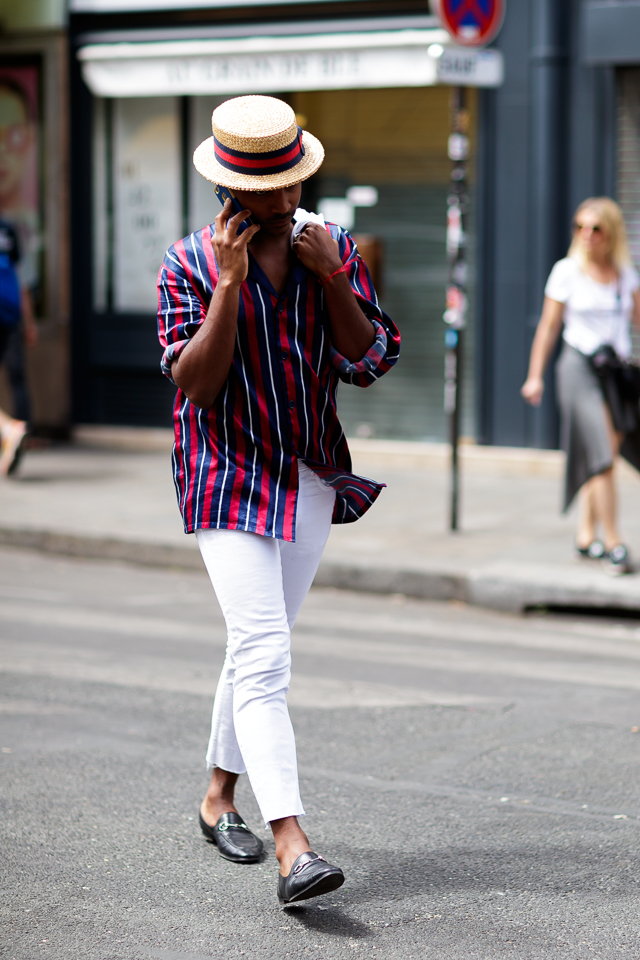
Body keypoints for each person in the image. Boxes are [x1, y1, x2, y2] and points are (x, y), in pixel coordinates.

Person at [157, 96, 400, 904]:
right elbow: (197, 384)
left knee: (256, 646)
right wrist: (229, 286)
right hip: (223, 473)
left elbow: (369, 358)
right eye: (270, 190)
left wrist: (333, 274)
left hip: (306, 474)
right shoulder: (188, 264)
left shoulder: (329, 246)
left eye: (294, 183)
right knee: (264, 650)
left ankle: (216, 797)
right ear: (231, 188)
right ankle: (294, 845)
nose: (288, 199)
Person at [521, 197, 640, 574]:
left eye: (596, 228)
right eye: (580, 227)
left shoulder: (625, 275)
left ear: (612, 233)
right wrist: (535, 375)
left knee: (602, 452)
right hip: (577, 368)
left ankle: (586, 536)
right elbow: (548, 327)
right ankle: (614, 542)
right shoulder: (567, 271)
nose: (586, 234)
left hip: (614, 373)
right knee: (602, 452)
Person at [0, 217, 33, 475]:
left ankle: (10, 431)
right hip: (11, 316)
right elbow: (19, 277)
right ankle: (19, 434)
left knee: (17, 378)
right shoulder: (8, 229)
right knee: (17, 378)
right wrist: (29, 320)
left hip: (10, 316)